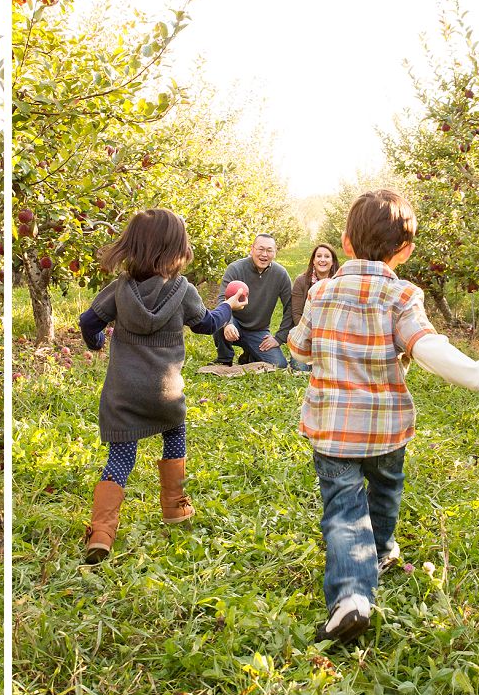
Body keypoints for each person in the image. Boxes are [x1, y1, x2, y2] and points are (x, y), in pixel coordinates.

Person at [288, 188, 479, 645]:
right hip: (386, 429)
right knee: (385, 491)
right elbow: (427, 347)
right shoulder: (402, 296)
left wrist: (303, 340)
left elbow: (301, 346)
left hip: (331, 428)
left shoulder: (321, 292)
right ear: (405, 251)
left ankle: (352, 595)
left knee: (344, 510)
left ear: (346, 242)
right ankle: (383, 551)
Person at [78, 208, 248, 563]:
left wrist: (96, 342)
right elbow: (207, 324)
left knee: (120, 460)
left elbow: (88, 321)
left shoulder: (119, 289)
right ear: (177, 249)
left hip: (122, 395)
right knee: (174, 437)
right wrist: (228, 306)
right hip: (165, 393)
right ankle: (175, 507)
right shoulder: (183, 291)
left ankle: (103, 531)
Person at [214, 235, 294, 369]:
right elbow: (222, 300)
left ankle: (249, 354)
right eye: (260, 249)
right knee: (218, 319)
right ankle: (225, 358)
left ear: (275, 252)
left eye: (269, 250)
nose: (264, 254)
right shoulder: (236, 269)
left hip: (258, 330)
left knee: (279, 365)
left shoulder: (280, 274)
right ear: (252, 249)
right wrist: (228, 323)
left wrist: (279, 338)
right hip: (235, 324)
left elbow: (290, 306)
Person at [290, 242, 341, 328]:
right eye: (319, 256)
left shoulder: (339, 283)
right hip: (306, 331)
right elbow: (296, 314)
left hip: (332, 332)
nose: (322, 260)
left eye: (327, 256)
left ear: (332, 262)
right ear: (313, 260)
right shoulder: (301, 281)